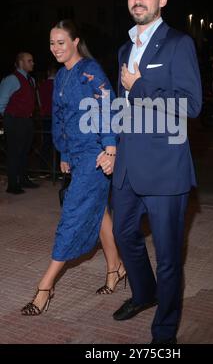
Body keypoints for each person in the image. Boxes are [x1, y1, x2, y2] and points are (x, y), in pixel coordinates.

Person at [106, 0, 202, 344]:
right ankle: (144, 294)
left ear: (161, 0)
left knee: (168, 257)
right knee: (123, 234)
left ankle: (164, 333)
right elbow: (123, 106)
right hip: (128, 167)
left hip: (165, 171)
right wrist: (113, 146)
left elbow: (191, 105)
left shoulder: (179, 44)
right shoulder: (124, 49)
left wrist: (141, 85)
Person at [21, 19, 126, 316]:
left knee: (72, 215)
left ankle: (45, 286)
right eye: (52, 43)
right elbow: (59, 116)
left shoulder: (89, 71)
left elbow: (109, 107)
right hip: (76, 155)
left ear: (75, 42)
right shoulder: (62, 76)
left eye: (61, 42)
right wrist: (63, 151)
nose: (55, 48)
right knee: (98, 211)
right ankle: (114, 269)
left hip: (95, 156)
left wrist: (110, 148)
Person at [0, 52, 39, 194]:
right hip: (15, 120)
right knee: (14, 152)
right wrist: (10, 117)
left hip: (26, 120)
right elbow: (1, 102)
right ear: (21, 63)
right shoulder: (12, 79)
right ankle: (12, 184)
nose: (32, 63)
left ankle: (23, 179)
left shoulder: (31, 80)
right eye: (29, 61)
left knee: (24, 152)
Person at [38, 62, 58, 173]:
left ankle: (44, 169)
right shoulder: (58, 84)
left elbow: (40, 101)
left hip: (45, 116)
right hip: (56, 117)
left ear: (48, 73)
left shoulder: (42, 85)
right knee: (58, 143)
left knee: (46, 142)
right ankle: (58, 170)